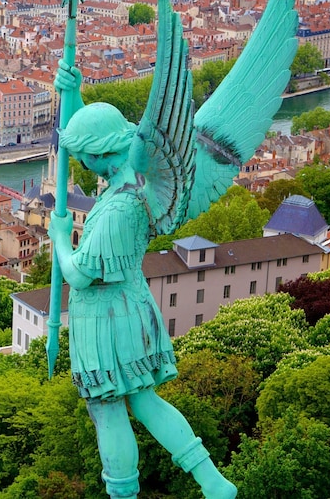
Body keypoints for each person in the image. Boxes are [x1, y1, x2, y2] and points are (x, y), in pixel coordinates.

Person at [48, 62, 237, 499]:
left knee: (107, 408)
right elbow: (92, 138)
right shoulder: (134, 181)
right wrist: (72, 94)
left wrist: (59, 238)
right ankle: (212, 480)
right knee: (145, 400)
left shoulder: (118, 209)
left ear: (97, 154)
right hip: (131, 308)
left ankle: (123, 494)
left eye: (83, 156)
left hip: (106, 318)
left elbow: (79, 275)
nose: (81, 164)